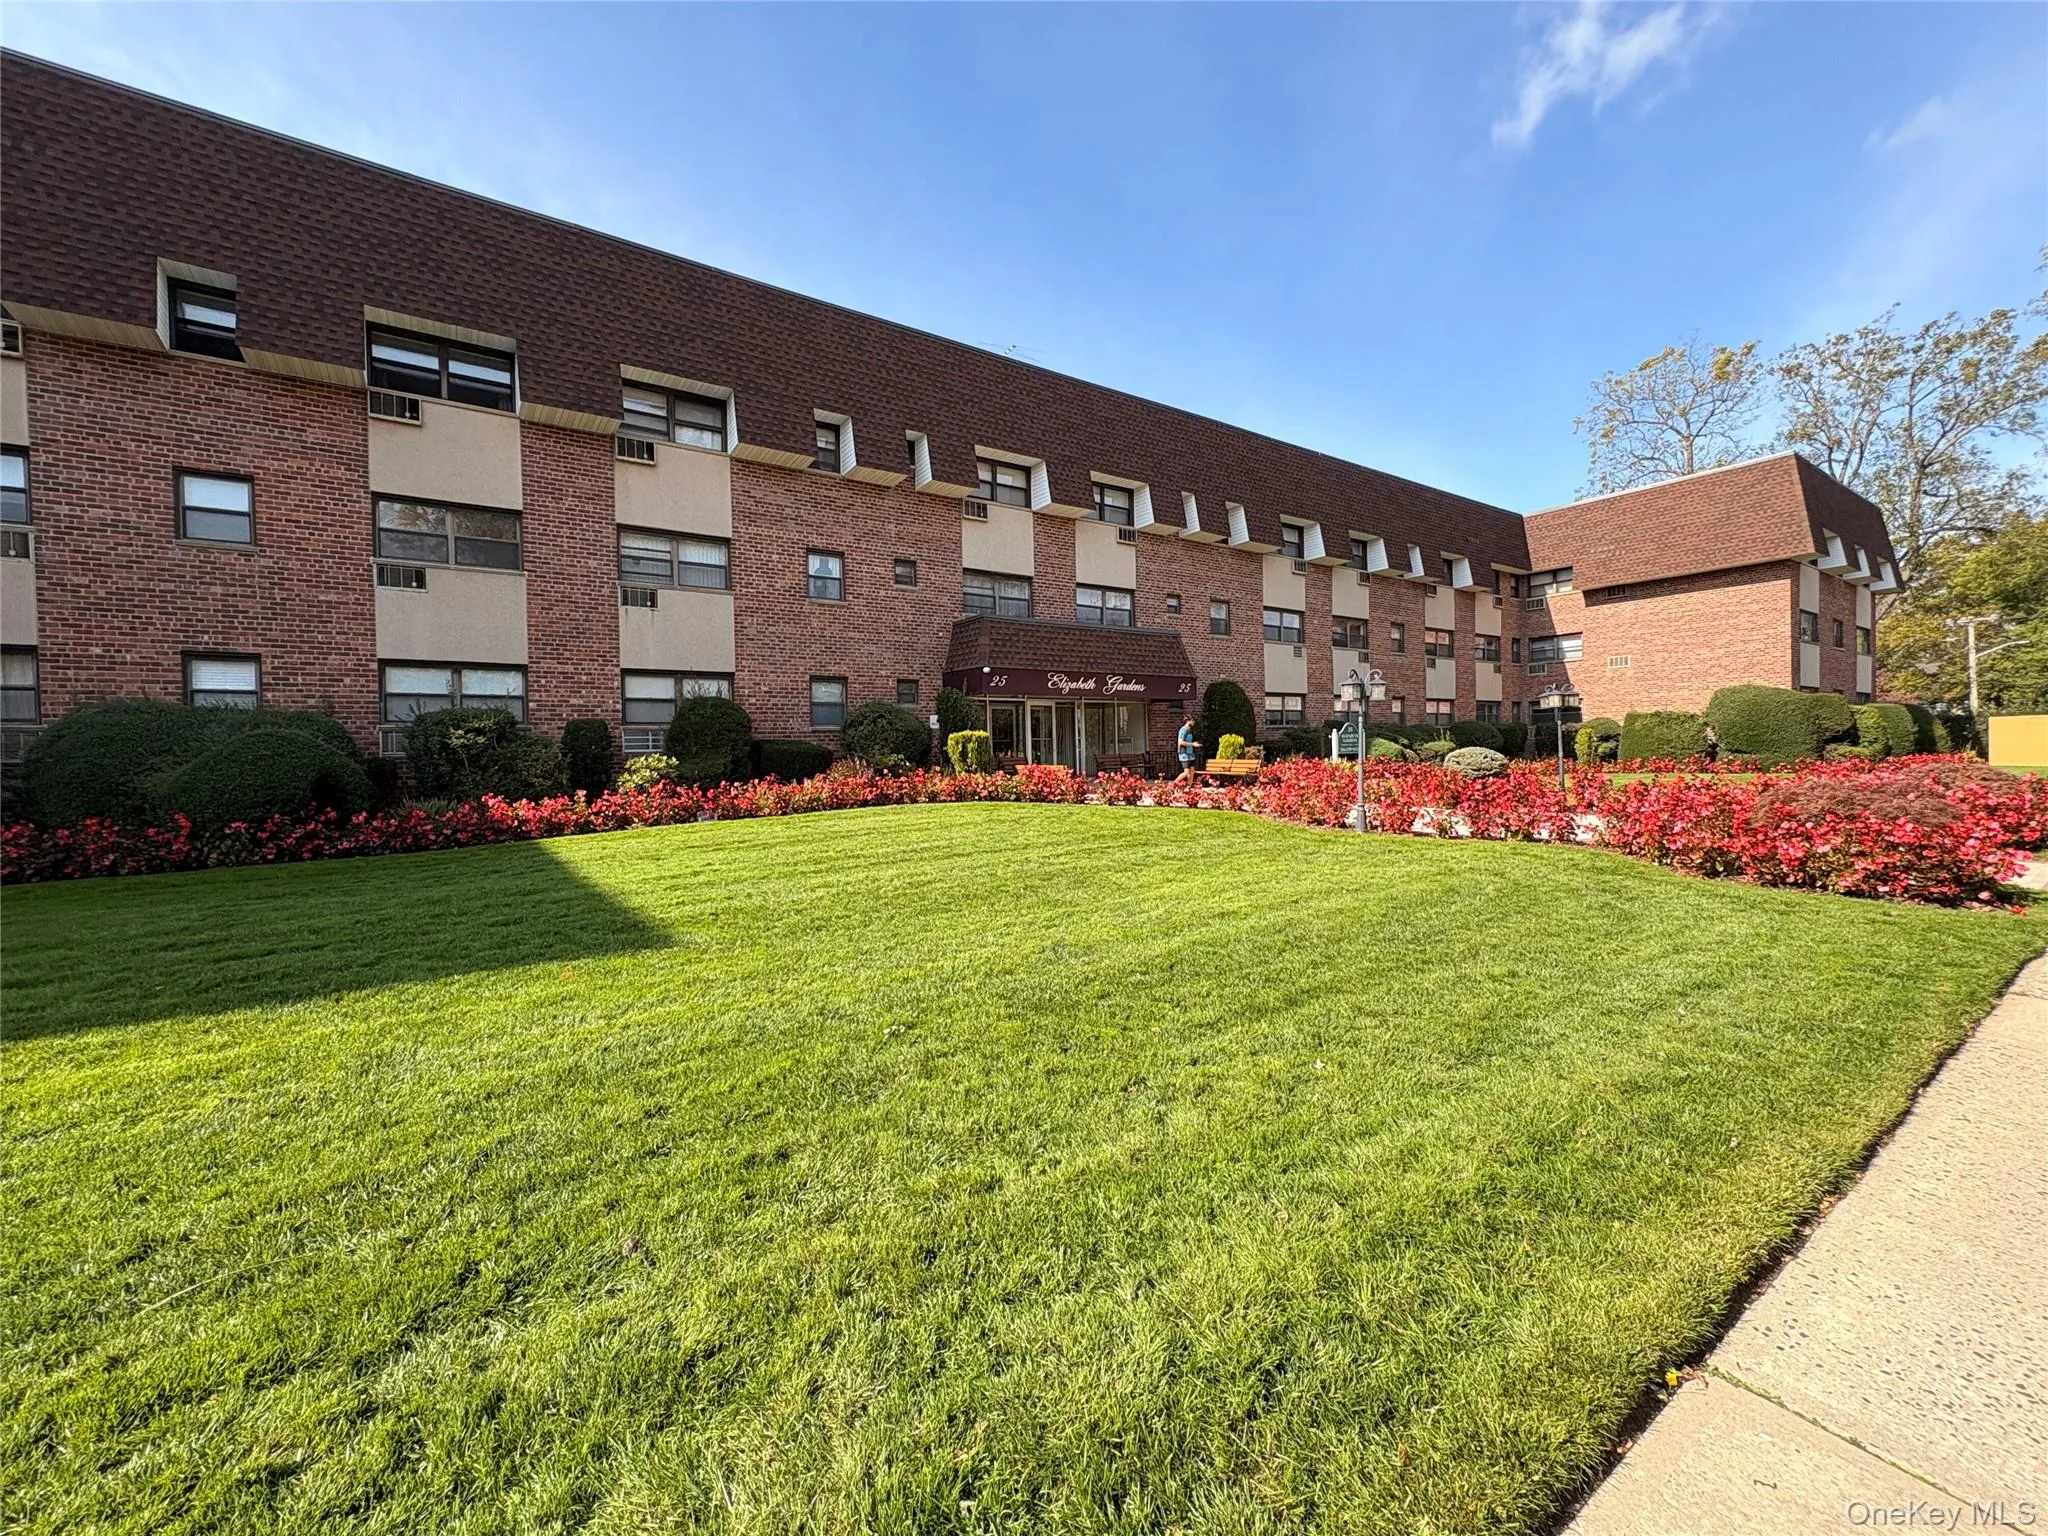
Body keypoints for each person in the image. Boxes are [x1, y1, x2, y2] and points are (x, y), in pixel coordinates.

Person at [1174, 707, 1200, 786]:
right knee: (1186, 772)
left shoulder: (1189, 730)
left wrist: (1194, 744)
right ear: (1188, 721)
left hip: (1190, 754)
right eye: (1193, 721)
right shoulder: (1183, 730)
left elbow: (1189, 741)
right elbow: (1181, 742)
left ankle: (1188, 787)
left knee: (1192, 771)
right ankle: (1174, 784)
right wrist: (1192, 744)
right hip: (1184, 754)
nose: (1194, 722)